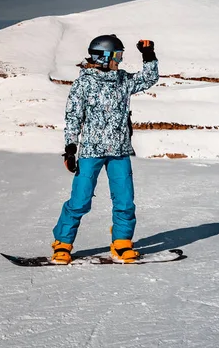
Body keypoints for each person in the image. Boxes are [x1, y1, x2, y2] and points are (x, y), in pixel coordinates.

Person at [51, 35, 158, 265]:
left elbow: (150, 78)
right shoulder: (84, 84)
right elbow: (73, 116)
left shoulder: (122, 80)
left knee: (125, 200)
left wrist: (148, 55)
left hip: (119, 150)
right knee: (80, 200)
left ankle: (121, 243)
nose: (120, 60)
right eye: (117, 55)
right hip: (91, 151)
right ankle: (62, 243)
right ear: (104, 57)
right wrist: (71, 148)